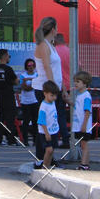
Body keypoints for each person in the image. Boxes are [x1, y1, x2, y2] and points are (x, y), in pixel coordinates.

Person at [32, 16, 67, 149]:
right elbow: (47, 67)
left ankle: (49, 156)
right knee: (45, 123)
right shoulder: (43, 46)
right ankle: (42, 156)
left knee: (53, 123)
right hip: (45, 89)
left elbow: (57, 70)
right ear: (53, 29)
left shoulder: (51, 45)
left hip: (53, 88)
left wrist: (63, 89)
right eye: (56, 28)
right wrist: (53, 89)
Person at [0, 49, 17, 147]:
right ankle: (11, 140)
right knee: (10, 119)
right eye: (8, 56)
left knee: (0, 119)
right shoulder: (8, 69)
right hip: (8, 96)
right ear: (5, 56)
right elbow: (16, 81)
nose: (9, 58)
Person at [35, 80, 60, 169]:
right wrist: (46, 133)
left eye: (55, 95)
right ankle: (44, 167)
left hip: (53, 130)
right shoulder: (43, 106)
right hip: (45, 132)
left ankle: (48, 166)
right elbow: (41, 121)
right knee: (48, 150)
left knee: (51, 150)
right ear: (45, 93)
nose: (54, 98)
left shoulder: (52, 103)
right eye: (52, 95)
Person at [72, 70, 93, 170]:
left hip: (83, 125)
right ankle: (86, 163)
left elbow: (87, 111)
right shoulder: (79, 95)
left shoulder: (86, 96)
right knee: (83, 144)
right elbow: (78, 107)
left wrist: (84, 125)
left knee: (84, 144)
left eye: (78, 81)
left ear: (84, 83)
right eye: (75, 81)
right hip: (79, 124)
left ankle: (84, 164)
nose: (75, 83)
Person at [54, 33, 71, 148]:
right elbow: (79, 67)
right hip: (70, 87)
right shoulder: (70, 51)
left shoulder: (54, 52)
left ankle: (56, 139)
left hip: (57, 87)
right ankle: (67, 139)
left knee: (56, 114)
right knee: (63, 114)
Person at [19, 58, 39, 147]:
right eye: (29, 66)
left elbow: (37, 86)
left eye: (32, 66)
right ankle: (25, 140)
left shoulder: (37, 75)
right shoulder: (22, 75)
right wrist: (32, 84)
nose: (31, 67)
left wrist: (29, 83)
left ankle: (36, 140)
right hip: (25, 101)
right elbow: (24, 87)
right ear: (26, 67)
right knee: (26, 121)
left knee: (35, 121)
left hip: (34, 100)